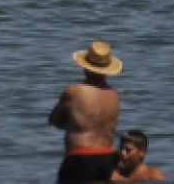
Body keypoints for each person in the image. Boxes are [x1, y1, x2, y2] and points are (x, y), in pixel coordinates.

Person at [49, 40, 123, 182]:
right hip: (107, 157)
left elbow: (54, 120)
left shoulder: (74, 91)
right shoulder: (114, 95)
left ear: (85, 67)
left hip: (80, 157)